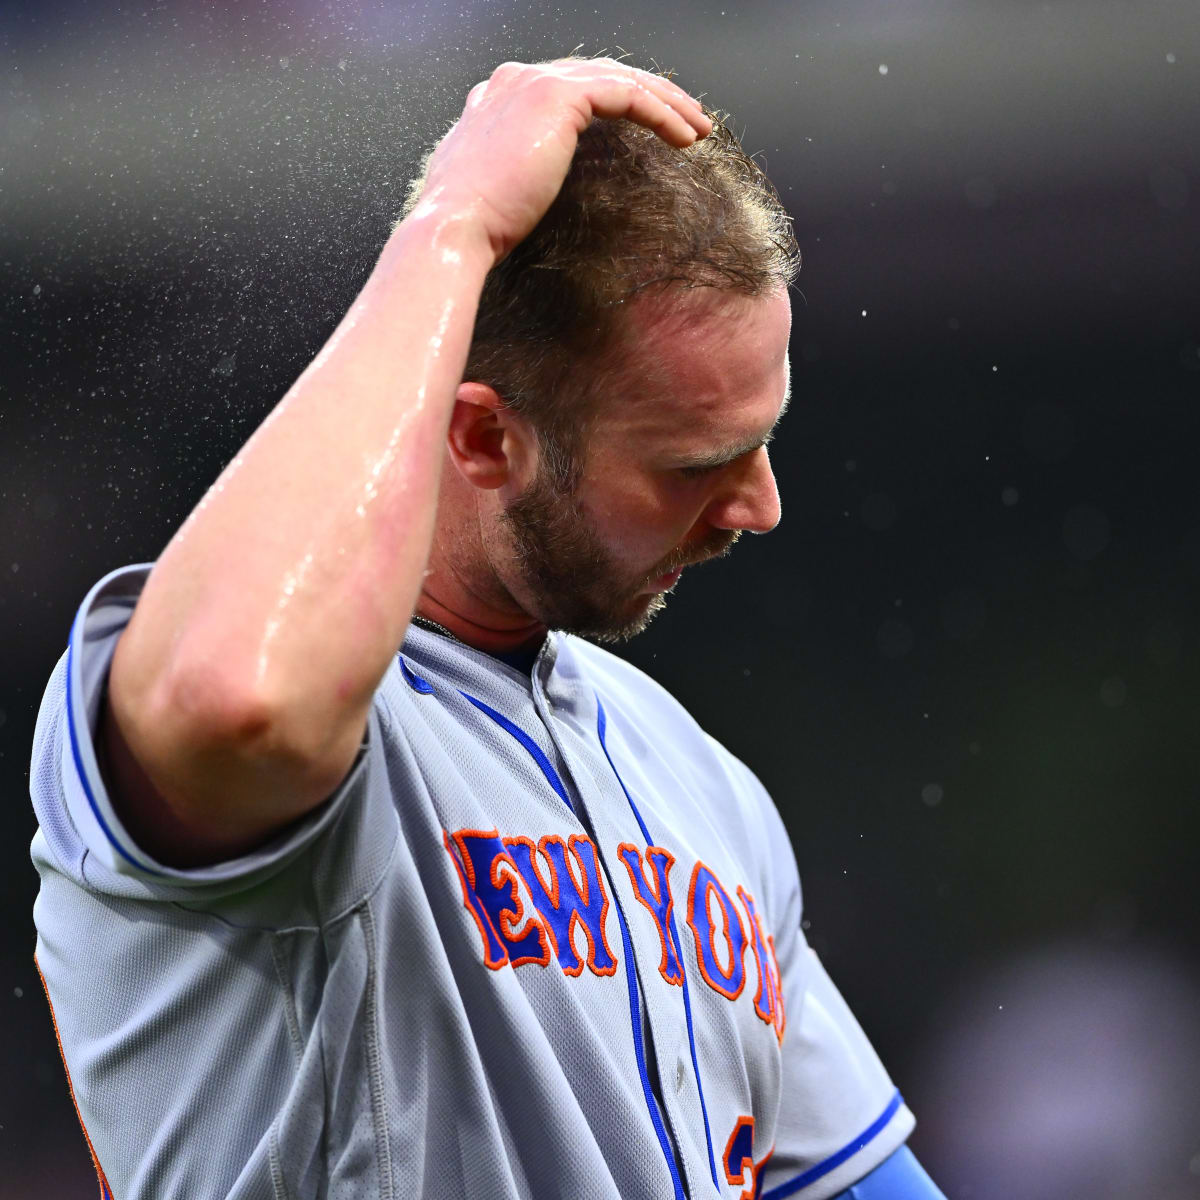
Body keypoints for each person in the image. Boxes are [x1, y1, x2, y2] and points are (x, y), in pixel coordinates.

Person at [30, 58, 945, 1199]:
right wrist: (452, 228)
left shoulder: (696, 777)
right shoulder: (241, 698)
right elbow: (240, 700)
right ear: (478, 439)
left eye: (762, 438)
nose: (761, 504)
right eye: (695, 462)